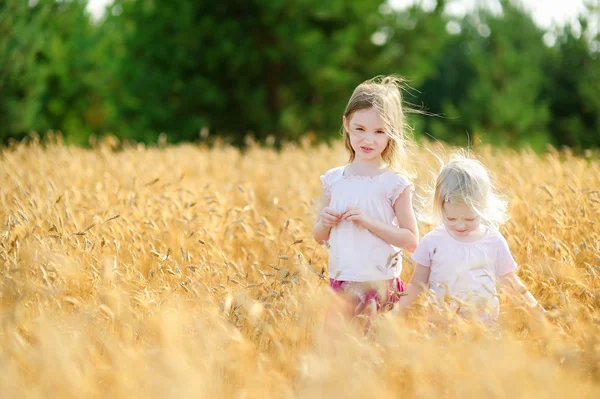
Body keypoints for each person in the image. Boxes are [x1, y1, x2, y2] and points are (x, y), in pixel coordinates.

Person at [312, 76, 419, 325]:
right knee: (342, 353)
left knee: (377, 353)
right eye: (359, 129)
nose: (368, 140)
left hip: (381, 286)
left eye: (379, 132)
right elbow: (318, 236)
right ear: (346, 124)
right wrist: (326, 222)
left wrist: (368, 222)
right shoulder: (333, 180)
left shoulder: (394, 183)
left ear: (392, 133)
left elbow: (411, 241)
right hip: (341, 283)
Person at [397, 155, 547, 325]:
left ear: (483, 208)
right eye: (451, 219)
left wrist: (538, 312)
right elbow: (417, 284)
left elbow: (511, 283)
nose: (460, 226)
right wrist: (393, 314)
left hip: (484, 331)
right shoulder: (432, 242)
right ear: (440, 208)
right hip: (441, 331)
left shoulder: (493, 242)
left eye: (469, 219)